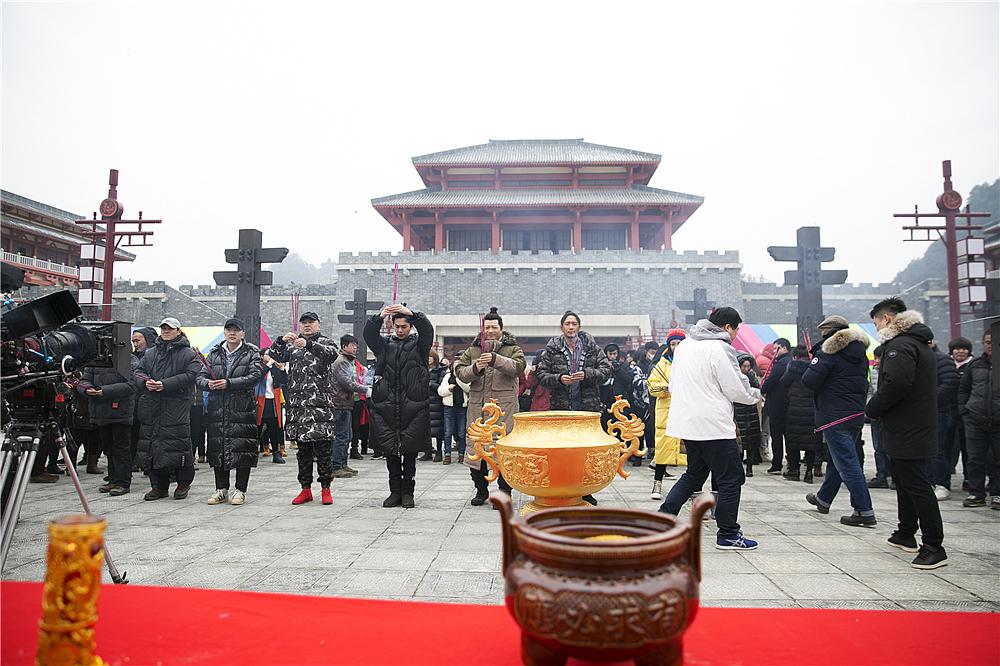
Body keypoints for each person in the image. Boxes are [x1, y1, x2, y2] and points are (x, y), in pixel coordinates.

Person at [658, 308, 760, 550]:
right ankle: (728, 533)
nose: (735, 335)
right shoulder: (720, 348)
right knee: (731, 478)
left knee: (694, 474)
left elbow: (673, 384)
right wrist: (755, 395)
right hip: (713, 425)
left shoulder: (684, 346)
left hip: (688, 423)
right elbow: (736, 388)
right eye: (736, 329)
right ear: (727, 327)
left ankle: (664, 517)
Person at [866, 299, 947, 569]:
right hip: (911, 424)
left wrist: (873, 408)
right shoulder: (917, 344)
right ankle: (906, 532)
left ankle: (934, 546)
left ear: (887, 319)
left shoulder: (900, 346)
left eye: (876, 321)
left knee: (917, 485)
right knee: (903, 480)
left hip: (909, 426)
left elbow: (896, 383)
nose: (876, 326)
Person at [801, 315, 876, 527]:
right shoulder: (859, 352)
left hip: (834, 415)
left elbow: (809, 381)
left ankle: (864, 510)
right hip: (854, 413)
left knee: (848, 463)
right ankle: (824, 498)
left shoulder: (828, 352)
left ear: (828, 332)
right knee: (838, 459)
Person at [536, 311, 612, 505]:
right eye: (567, 324)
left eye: (574, 323)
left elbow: (605, 370)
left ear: (579, 326)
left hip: (587, 406)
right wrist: (559, 379)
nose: (571, 327)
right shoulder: (552, 348)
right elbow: (541, 375)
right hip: (561, 407)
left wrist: (586, 375)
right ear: (562, 327)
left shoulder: (592, 347)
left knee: (586, 452)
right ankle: (562, 487)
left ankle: (585, 489)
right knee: (563, 450)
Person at [364, 304, 434, 509]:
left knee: (410, 452)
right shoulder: (383, 345)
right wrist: (378, 317)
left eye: (405, 326)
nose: (401, 330)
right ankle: (394, 492)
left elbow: (427, 329)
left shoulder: (420, 346)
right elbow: (369, 335)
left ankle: (408, 493)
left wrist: (414, 314)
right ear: (392, 326)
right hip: (386, 406)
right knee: (391, 452)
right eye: (397, 326)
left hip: (412, 406)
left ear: (410, 327)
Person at [269, 312, 341, 507]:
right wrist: (281, 341)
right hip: (299, 408)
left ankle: (326, 488)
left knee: (324, 451)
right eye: (304, 323)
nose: (307, 326)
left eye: (311, 323)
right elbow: (273, 355)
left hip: (320, 408)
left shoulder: (326, 342)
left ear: (318, 325)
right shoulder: (293, 347)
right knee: (303, 452)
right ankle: (305, 489)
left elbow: (331, 355)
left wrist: (308, 344)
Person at [455, 307, 526, 505]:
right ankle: (481, 490)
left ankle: (504, 492)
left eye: (494, 327)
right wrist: (476, 367)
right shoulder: (473, 349)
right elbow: (460, 372)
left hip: (504, 409)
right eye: (487, 327)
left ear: (501, 329)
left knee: (503, 452)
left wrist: (496, 360)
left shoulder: (512, 348)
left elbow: (518, 368)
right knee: (476, 449)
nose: (491, 330)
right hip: (478, 407)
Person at [133, 317, 202, 500]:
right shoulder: (151, 353)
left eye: (170, 328)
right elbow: (138, 371)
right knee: (153, 446)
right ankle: (158, 486)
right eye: (163, 328)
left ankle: (183, 483)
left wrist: (166, 384)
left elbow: (191, 374)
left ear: (178, 331)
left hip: (176, 406)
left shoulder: (188, 354)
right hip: (152, 405)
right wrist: (146, 382)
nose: (166, 331)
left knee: (179, 445)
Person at [197, 318, 263, 506]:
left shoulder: (252, 352)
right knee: (218, 447)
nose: (232, 333)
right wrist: (208, 384)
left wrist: (229, 383)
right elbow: (200, 376)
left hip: (242, 407)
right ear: (224, 332)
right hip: (218, 407)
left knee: (243, 449)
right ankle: (221, 489)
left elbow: (255, 376)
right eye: (228, 330)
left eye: (236, 330)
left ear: (243, 333)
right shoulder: (215, 353)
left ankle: (240, 490)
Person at [79, 358, 137, 496]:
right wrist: (87, 389)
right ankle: (113, 479)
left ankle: (122, 482)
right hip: (100, 412)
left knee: (121, 449)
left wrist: (104, 391)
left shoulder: (128, 359)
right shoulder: (95, 361)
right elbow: (83, 381)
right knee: (108, 448)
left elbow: (132, 385)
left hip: (121, 411)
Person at [957, 330, 1000, 510]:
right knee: (975, 459)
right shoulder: (975, 365)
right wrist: (964, 410)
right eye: (987, 342)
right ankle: (976, 493)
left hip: (998, 421)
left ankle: (997, 493)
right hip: (975, 419)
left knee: (998, 460)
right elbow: (963, 390)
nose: (990, 345)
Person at [646, 329, 688, 500]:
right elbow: (651, 385)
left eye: (679, 343)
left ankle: (694, 489)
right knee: (663, 448)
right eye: (673, 344)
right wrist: (665, 388)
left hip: (687, 410)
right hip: (667, 411)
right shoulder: (662, 365)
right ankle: (657, 483)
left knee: (690, 450)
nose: (676, 347)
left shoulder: (692, 363)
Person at [331, 334, 372, 478]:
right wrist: (365, 389)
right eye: (352, 345)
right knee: (341, 436)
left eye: (356, 345)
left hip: (346, 403)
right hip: (340, 403)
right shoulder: (341, 361)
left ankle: (343, 464)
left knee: (346, 436)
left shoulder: (347, 361)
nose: (355, 348)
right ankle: (336, 466)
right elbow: (347, 383)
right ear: (344, 347)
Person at [780, 345, 823, 484]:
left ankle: (794, 470)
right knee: (811, 443)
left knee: (793, 441)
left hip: (795, 409)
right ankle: (809, 472)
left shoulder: (793, 366)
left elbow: (784, 382)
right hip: (811, 409)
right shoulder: (815, 367)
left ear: (795, 355)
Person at [601, 343, 643, 467]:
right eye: (610, 354)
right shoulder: (602, 366)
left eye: (614, 354)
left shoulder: (624, 366)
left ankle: (626, 455)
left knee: (623, 429)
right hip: (607, 403)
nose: (612, 357)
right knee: (607, 429)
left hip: (622, 403)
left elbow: (629, 380)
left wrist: (617, 369)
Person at [928, 339, 960, 501]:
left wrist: (928, 401)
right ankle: (931, 482)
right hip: (924, 413)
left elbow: (950, 384)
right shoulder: (921, 358)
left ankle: (942, 484)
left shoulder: (942, 359)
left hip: (941, 412)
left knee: (939, 450)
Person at [760, 338, 792, 474]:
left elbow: (771, 381)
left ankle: (777, 464)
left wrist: (762, 388)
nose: (774, 351)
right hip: (788, 404)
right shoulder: (790, 361)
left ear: (784, 348)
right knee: (788, 435)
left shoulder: (781, 364)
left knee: (777, 436)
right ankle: (791, 462)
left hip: (777, 404)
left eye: (776, 348)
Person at [129, 327, 157, 473]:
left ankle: (149, 463)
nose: (135, 343)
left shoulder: (154, 357)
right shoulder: (131, 357)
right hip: (133, 404)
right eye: (133, 341)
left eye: (138, 340)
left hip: (149, 403)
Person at [948, 337, 974, 490]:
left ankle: (969, 479)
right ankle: (944, 481)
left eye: (964, 348)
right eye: (957, 348)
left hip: (967, 413)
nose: (960, 351)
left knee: (968, 450)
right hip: (949, 412)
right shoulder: (946, 364)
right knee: (947, 448)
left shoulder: (973, 365)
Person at [256, 350, 287, 464]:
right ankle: (253, 453)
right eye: (267, 354)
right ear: (261, 356)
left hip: (273, 400)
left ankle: (276, 453)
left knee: (274, 428)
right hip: (260, 400)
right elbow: (257, 377)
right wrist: (268, 365)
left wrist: (282, 369)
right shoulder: (258, 366)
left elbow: (284, 381)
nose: (270, 357)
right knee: (257, 428)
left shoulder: (274, 368)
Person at [866, 347, 891, 489]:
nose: (877, 361)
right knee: (877, 447)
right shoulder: (873, 371)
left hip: (888, 414)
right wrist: (869, 408)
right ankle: (881, 475)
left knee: (889, 447)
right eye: (876, 358)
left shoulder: (891, 371)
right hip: (876, 413)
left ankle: (892, 475)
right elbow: (870, 390)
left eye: (880, 358)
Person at [735, 353, 763, 477]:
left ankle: (749, 467)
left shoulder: (752, 377)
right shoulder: (735, 377)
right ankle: (739, 467)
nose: (746, 369)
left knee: (751, 442)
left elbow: (757, 389)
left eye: (748, 366)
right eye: (743, 366)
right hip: (739, 411)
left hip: (751, 413)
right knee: (740, 441)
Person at [439, 356, 470, 464]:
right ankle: (447, 455)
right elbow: (440, 391)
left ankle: (462, 454)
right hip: (449, 407)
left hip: (462, 407)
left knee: (462, 433)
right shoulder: (447, 376)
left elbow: (469, 389)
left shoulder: (465, 377)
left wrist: (458, 379)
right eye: (455, 365)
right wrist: (448, 388)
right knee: (448, 432)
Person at [422, 350, 446, 462]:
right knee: (425, 428)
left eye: (430, 357)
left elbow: (441, 387)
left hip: (436, 402)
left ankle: (439, 452)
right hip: (424, 401)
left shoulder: (441, 370)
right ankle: (427, 452)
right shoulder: (422, 369)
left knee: (438, 429)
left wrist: (429, 384)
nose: (428, 359)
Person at [350, 356, 372, 459]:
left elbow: (362, 380)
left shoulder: (360, 367)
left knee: (357, 426)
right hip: (347, 399)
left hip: (358, 399)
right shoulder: (343, 364)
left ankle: (355, 449)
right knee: (347, 428)